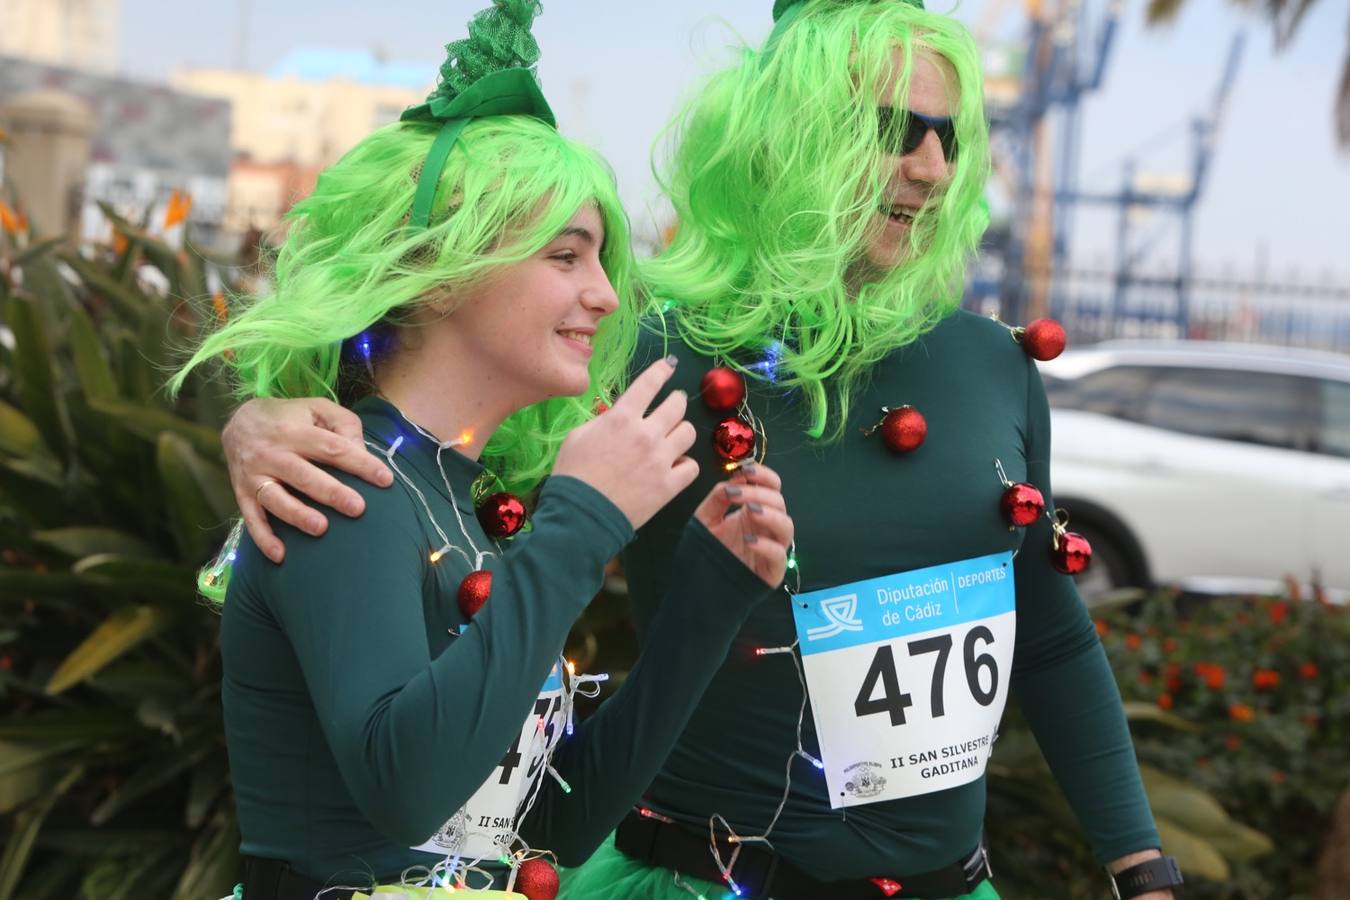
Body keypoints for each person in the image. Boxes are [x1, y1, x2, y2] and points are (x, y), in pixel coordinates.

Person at [218, 1, 1184, 898]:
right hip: (691, 875)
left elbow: (1048, 629)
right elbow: (438, 431)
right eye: (895, 131)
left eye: (949, 136)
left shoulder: (990, 365)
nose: (930, 167)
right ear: (791, 138)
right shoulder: (651, 359)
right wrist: (262, 424)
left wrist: (1138, 862)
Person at [173, 2, 794, 897]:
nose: (605, 297)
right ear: (441, 271)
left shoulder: (446, 497)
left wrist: (709, 596)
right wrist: (582, 523)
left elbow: (555, 826)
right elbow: (405, 790)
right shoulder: (338, 484)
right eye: (567, 256)